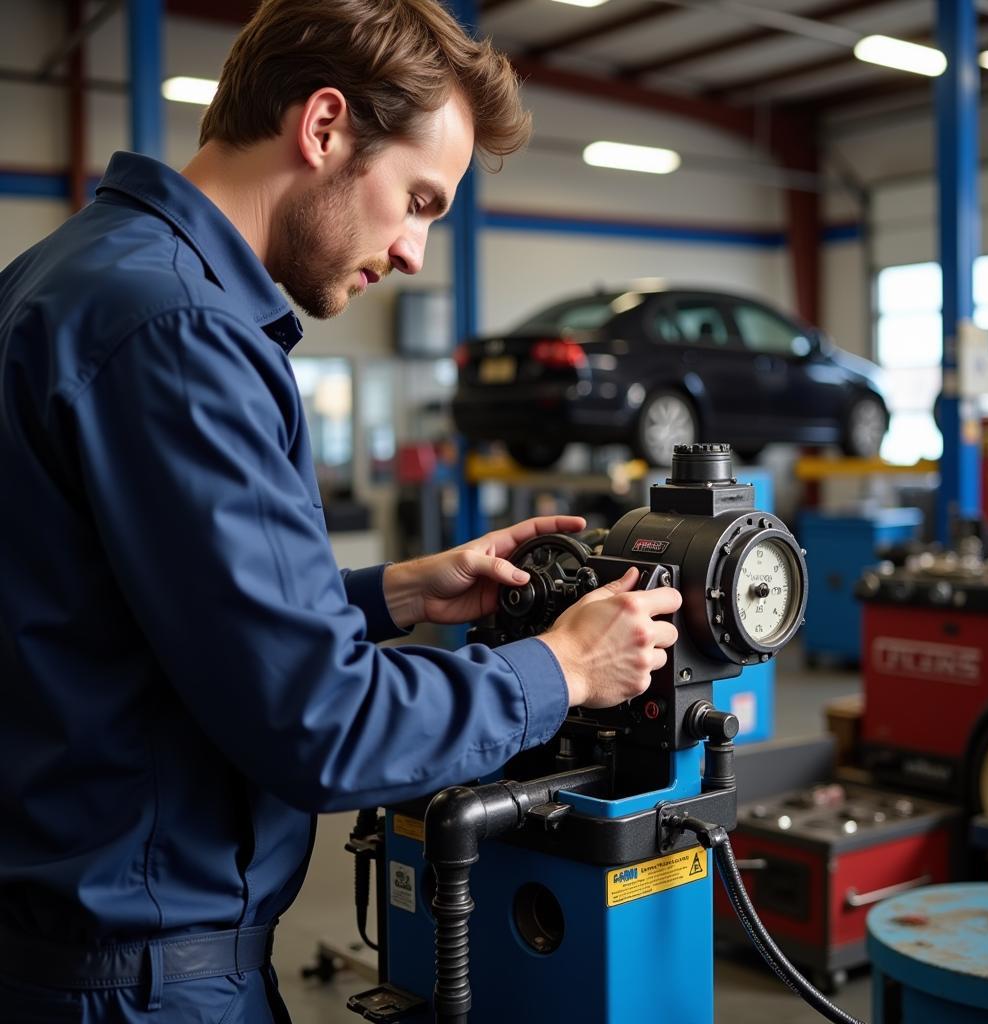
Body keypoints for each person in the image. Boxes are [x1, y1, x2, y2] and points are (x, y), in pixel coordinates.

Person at [0, 1, 680, 1020]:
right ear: (322, 128)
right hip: (139, 980)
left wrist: (389, 593)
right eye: (416, 200)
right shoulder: (182, 331)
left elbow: (130, 615)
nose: (412, 253)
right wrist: (561, 669)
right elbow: (321, 727)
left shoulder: (65, 279)